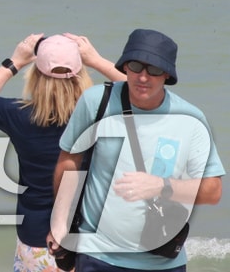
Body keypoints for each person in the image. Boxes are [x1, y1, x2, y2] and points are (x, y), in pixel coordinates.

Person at [51, 29, 224, 272]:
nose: (143, 77)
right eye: (135, 66)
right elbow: (69, 161)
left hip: (163, 262)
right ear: (125, 67)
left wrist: (162, 186)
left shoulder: (191, 119)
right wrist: (60, 221)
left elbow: (213, 191)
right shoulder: (96, 102)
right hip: (97, 255)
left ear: (166, 74)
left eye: (153, 70)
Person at [0, 33, 123, 272]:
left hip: (37, 237)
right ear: (80, 74)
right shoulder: (99, 112)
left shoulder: (19, 115)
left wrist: (16, 61)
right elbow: (143, 94)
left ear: (36, 76)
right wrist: (96, 59)